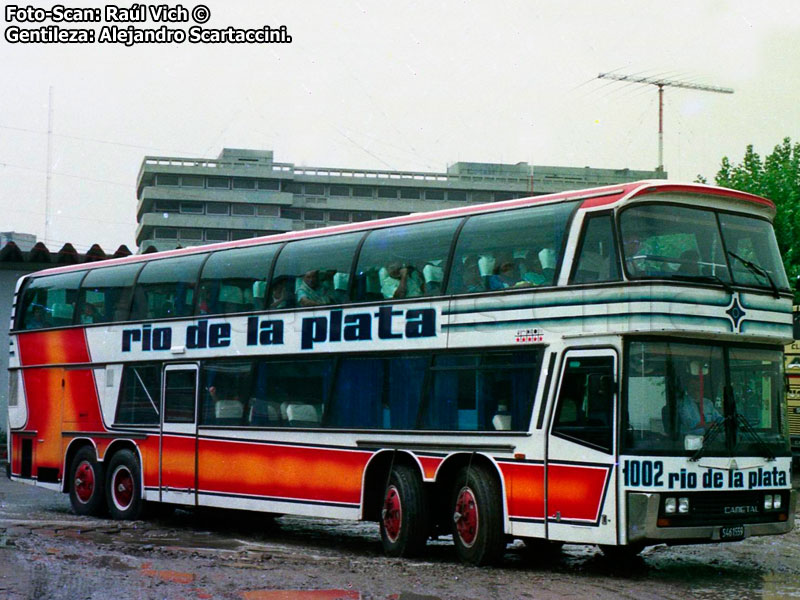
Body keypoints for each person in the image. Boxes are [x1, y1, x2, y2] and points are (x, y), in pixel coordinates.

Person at [678, 363, 722, 434]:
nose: (696, 388)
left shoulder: (708, 403)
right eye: (692, 385)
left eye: (698, 385)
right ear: (687, 387)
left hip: (710, 439)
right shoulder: (682, 403)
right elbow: (689, 423)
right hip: (690, 441)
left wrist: (725, 422)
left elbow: (719, 419)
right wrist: (708, 425)